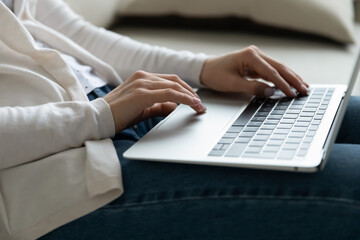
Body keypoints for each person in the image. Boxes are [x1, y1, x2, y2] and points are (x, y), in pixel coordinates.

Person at [0, 0, 359, 239]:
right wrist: (98, 116)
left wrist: (202, 69)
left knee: (337, 113)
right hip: (63, 175)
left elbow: (75, 35)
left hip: (123, 113)